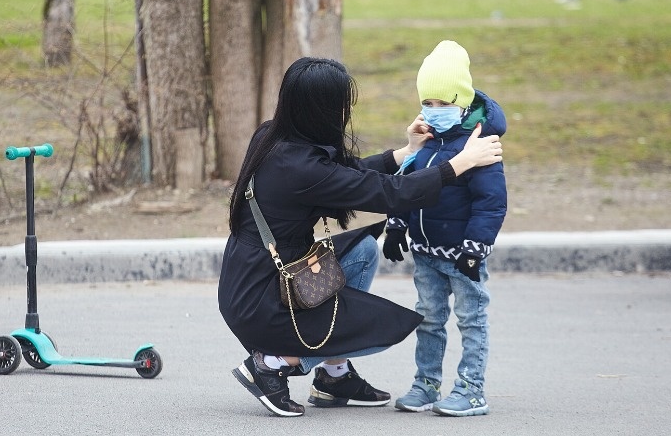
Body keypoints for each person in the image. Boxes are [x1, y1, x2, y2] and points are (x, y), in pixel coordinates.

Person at [217, 56, 503, 417]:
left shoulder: (274, 136)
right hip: (261, 299)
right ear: (322, 110)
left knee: (363, 248)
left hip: (247, 277)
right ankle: (271, 363)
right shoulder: (302, 167)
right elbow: (388, 194)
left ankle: (334, 376)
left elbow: (345, 175)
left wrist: (407, 152)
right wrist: (460, 163)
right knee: (376, 328)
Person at [383, 40, 507, 417]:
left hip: (462, 254)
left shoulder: (479, 146)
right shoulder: (427, 144)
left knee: (471, 320)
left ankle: (472, 389)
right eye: (428, 104)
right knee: (429, 319)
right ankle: (426, 383)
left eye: (444, 104)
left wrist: (475, 248)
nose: (435, 112)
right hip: (426, 254)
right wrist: (396, 225)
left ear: (464, 102)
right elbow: (410, 185)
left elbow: (491, 204)